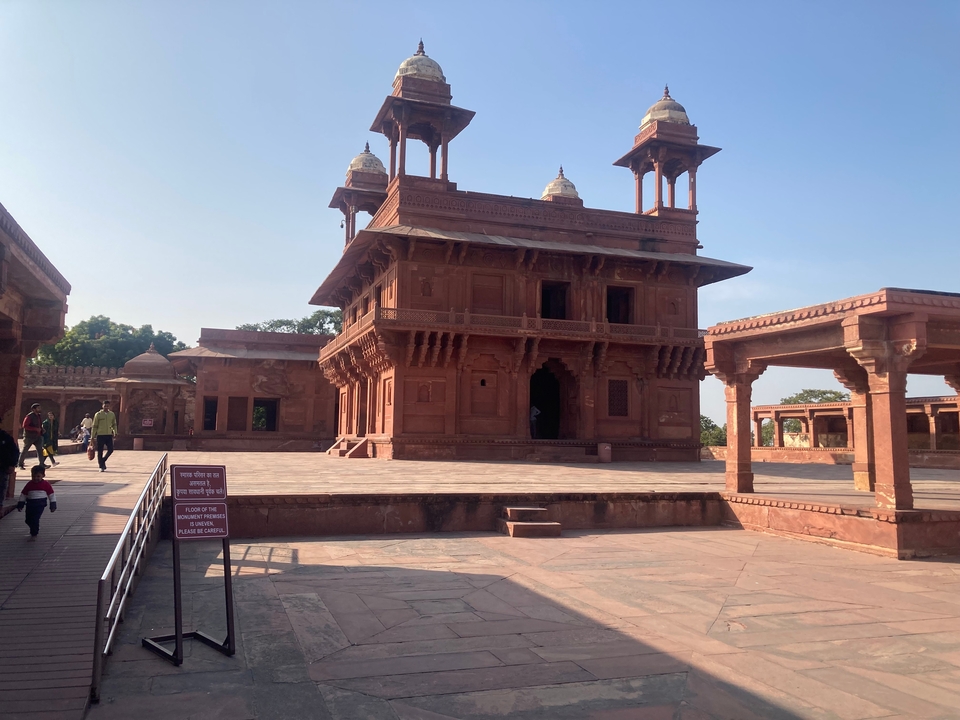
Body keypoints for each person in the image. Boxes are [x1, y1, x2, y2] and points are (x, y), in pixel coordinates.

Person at [17, 464, 56, 540]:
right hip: (30, 504)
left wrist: (53, 504)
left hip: (40, 504)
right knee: (28, 520)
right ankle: (34, 527)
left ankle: (34, 534)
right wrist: (20, 504)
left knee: (35, 519)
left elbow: (51, 495)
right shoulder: (29, 484)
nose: (35, 478)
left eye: (38, 476)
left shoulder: (46, 484)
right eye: (33, 476)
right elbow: (23, 494)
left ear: (43, 476)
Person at [91, 400, 118, 472]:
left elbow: (114, 424)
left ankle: (102, 461)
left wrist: (115, 432)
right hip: (100, 434)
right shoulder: (98, 414)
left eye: (107, 406)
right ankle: (101, 466)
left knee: (111, 450)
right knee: (100, 451)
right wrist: (92, 436)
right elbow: (95, 426)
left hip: (108, 434)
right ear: (102, 406)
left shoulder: (112, 414)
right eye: (105, 406)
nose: (106, 407)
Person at [18, 403, 45, 470]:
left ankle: (42, 464)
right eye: (38, 408)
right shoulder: (29, 416)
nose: (40, 409)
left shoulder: (39, 416)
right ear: (33, 409)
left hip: (38, 436)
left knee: (40, 450)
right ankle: (20, 464)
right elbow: (25, 426)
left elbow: (39, 425)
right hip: (29, 436)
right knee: (25, 450)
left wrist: (42, 429)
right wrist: (35, 429)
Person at [0, 423, 19, 508]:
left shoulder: (5, 437)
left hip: (2, 468)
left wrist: (12, 464)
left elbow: (14, 451)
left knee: (1, 488)